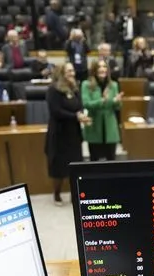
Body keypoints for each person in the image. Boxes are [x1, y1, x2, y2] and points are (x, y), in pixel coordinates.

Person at [45, 63, 91, 206]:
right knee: (58, 167)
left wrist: (82, 115)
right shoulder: (53, 90)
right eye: (69, 71)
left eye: (73, 70)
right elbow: (56, 111)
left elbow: (80, 106)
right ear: (62, 73)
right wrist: (75, 116)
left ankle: (75, 195)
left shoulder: (75, 88)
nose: (73, 73)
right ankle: (57, 194)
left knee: (75, 165)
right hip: (59, 133)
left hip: (73, 133)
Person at [81, 60, 123, 161]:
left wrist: (117, 102)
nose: (102, 69)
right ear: (94, 70)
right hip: (94, 126)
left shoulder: (113, 85)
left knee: (111, 160)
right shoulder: (86, 84)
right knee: (94, 161)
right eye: (99, 67)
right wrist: (102, 101)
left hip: (110, 127)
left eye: (104, 67)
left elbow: (117, 107)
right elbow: (86, 104)